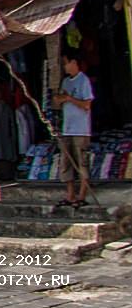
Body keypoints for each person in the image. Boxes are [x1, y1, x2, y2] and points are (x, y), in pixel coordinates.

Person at [53, 52, 95, 208]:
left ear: (74, 63)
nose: (64, 67)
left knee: (82, 162)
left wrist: (70, 99)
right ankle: (70, 195)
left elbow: (86, 105)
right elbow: (58, 102)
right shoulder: (65, 82)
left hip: (81, 130)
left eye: (66, 63)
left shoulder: (83, 80)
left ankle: (82, 195)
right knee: (66, 163)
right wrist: (59, 99)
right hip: (67, 129)